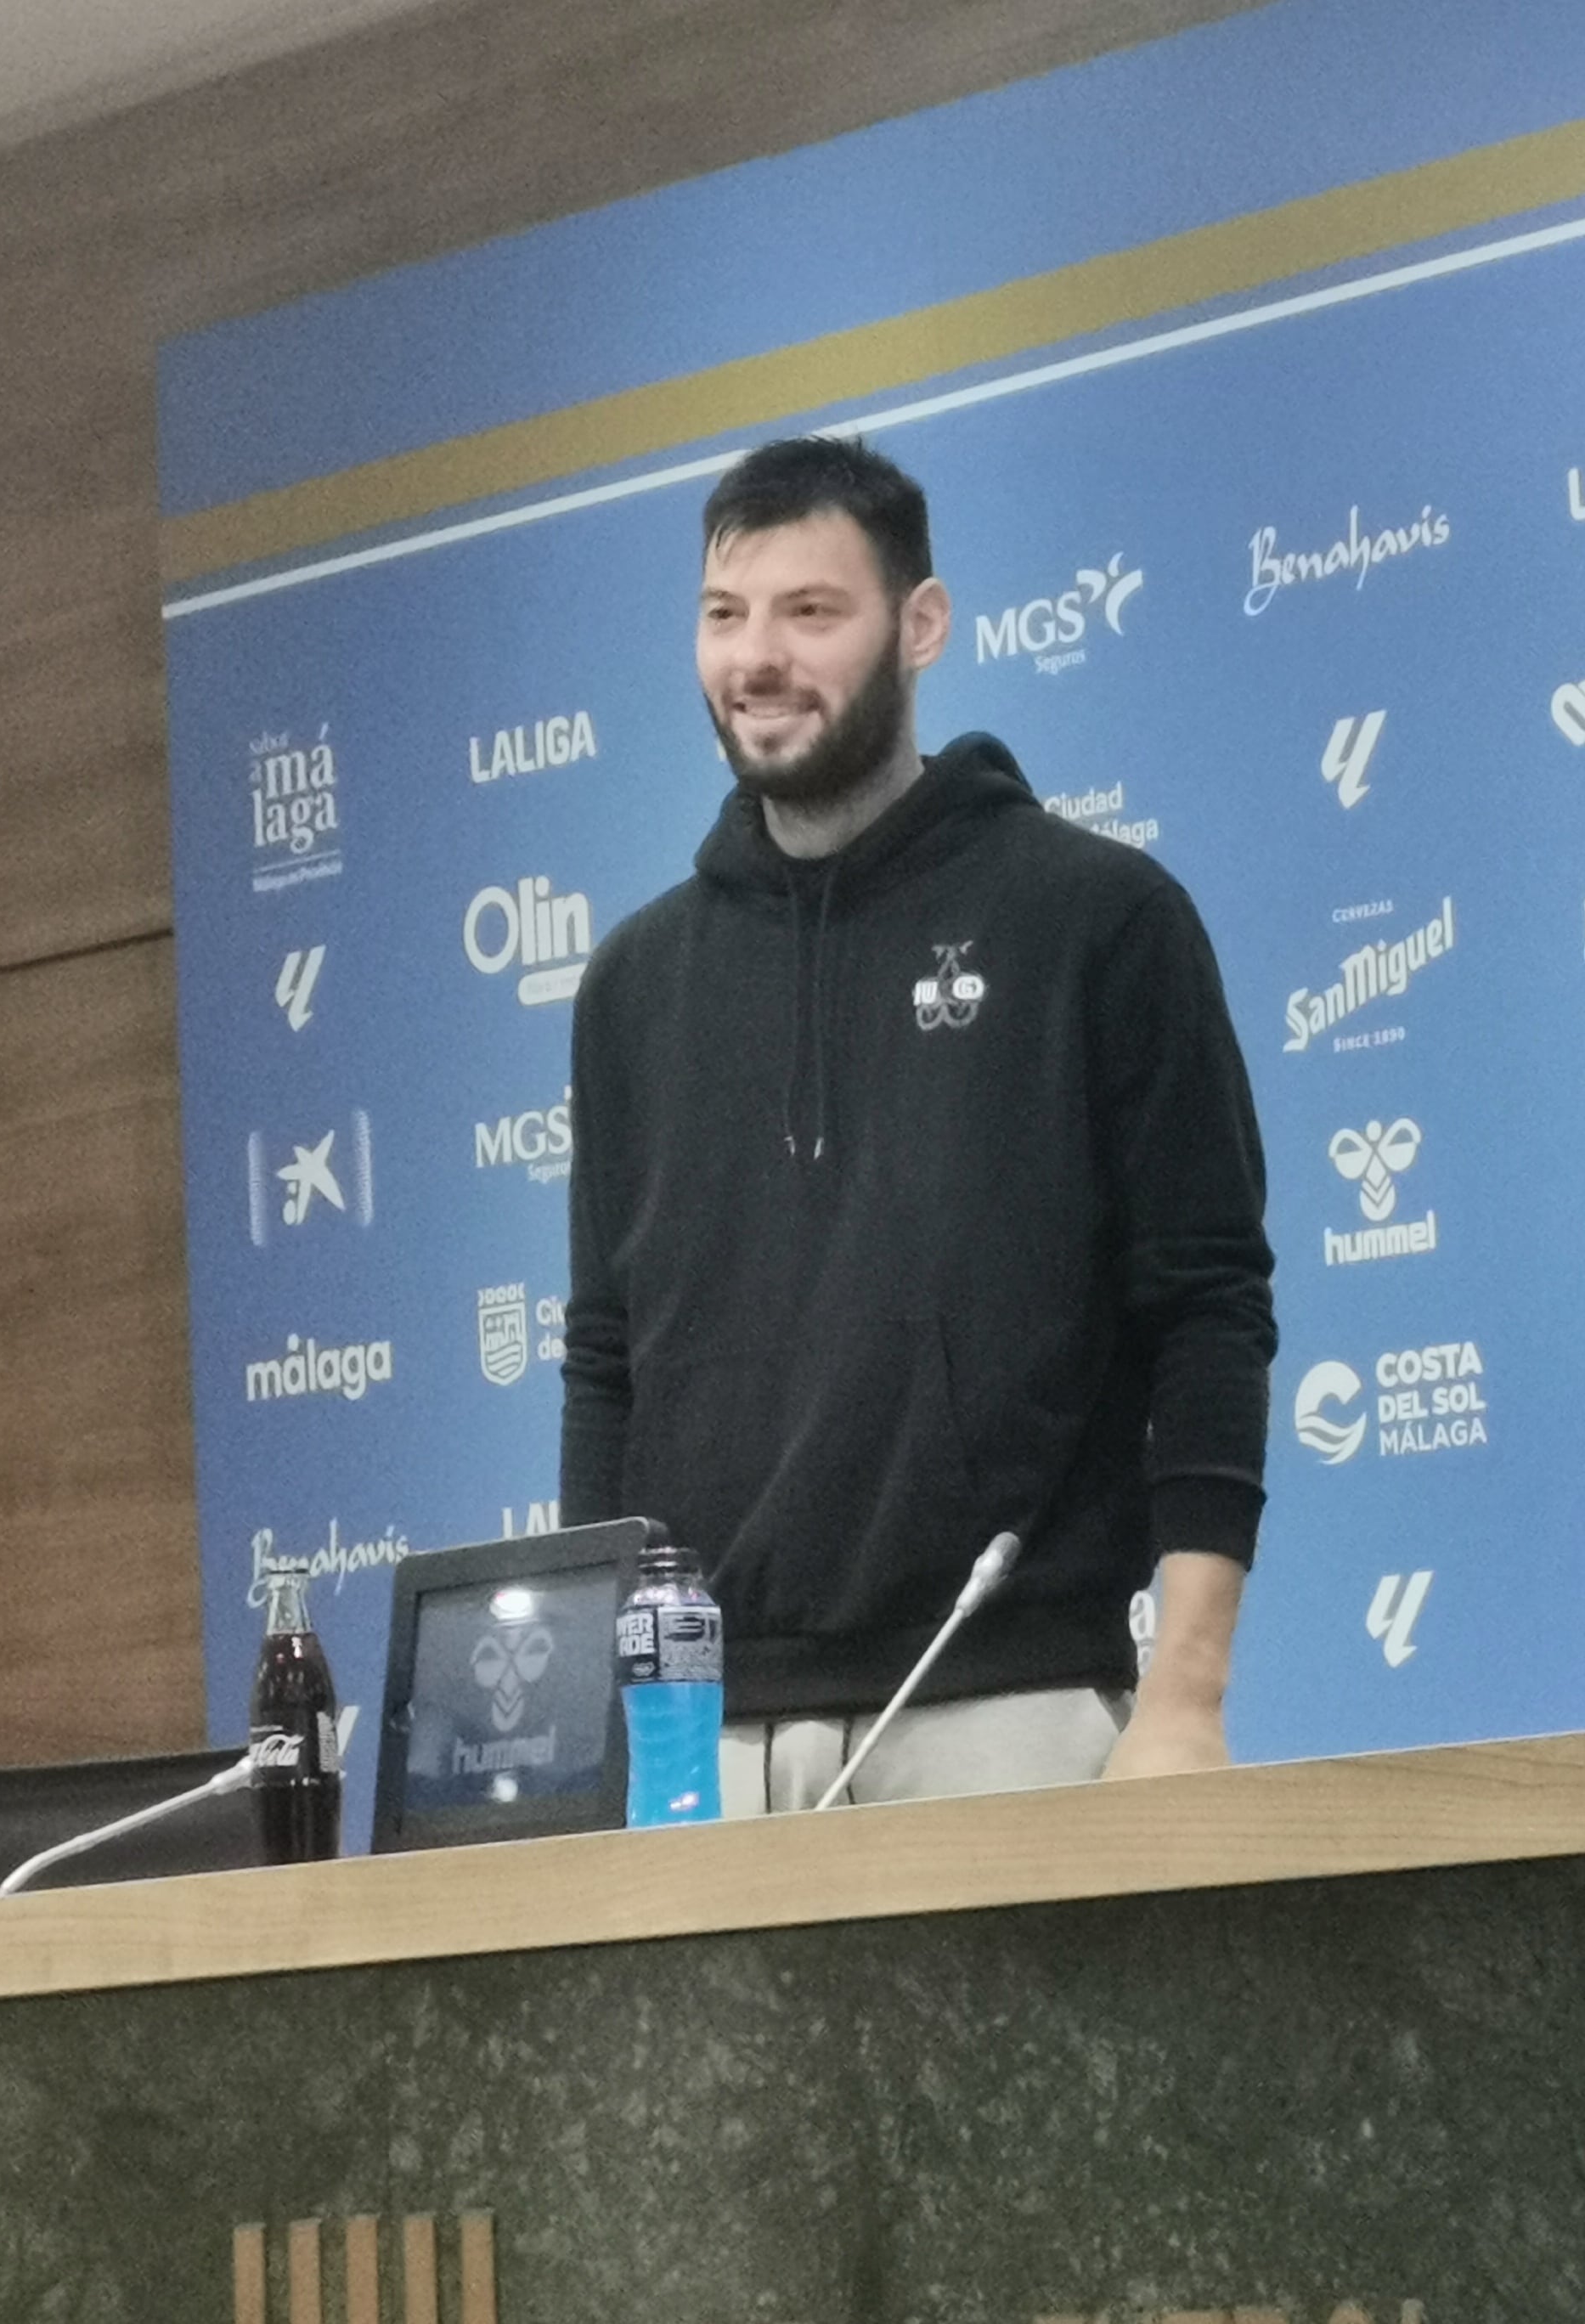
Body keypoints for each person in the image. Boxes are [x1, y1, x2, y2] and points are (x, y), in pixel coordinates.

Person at [559, 434, 1276, 1812]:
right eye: (725, 616)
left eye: (810, 611)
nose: (757, 658)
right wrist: (611, 1721)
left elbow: (1207, 1313)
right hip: (695, 1750)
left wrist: (1184, 1703)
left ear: (922, 626)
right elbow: (607, 1371)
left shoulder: (1100, 923)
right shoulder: (632, 985)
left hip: (1007, 1716)